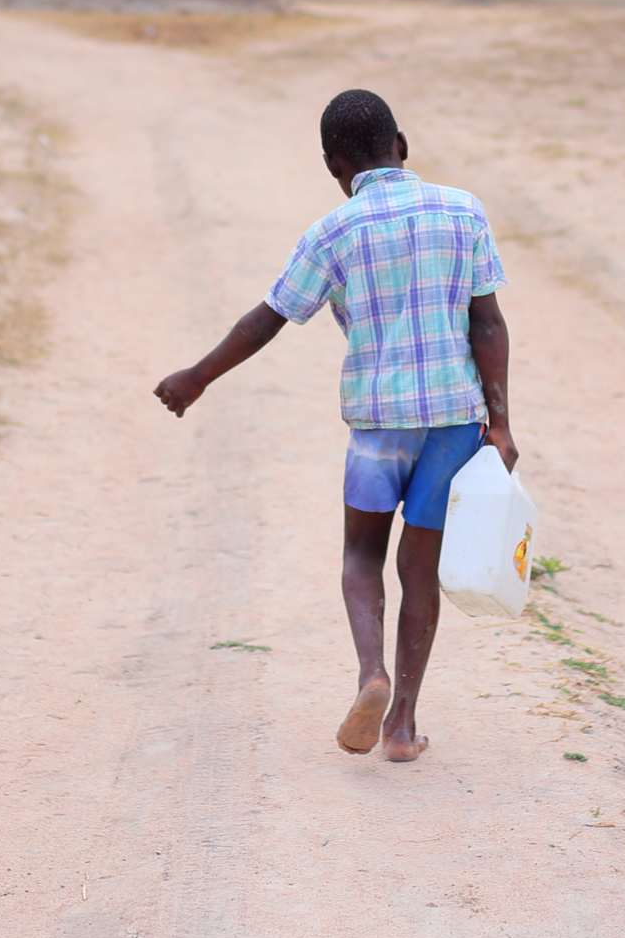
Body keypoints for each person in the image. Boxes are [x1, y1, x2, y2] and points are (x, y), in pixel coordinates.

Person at [154, 88, 514, 763]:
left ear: (333, 165)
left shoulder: (333, 231)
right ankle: (402, 726)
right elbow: (487, 321)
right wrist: (501, 423)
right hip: (454, 419)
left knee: (360, 557)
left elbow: (267, 319)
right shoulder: (463, 210)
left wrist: (197, 377)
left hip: (379, 423)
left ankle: (370, 672)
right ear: (401, 146)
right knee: (420, 567)